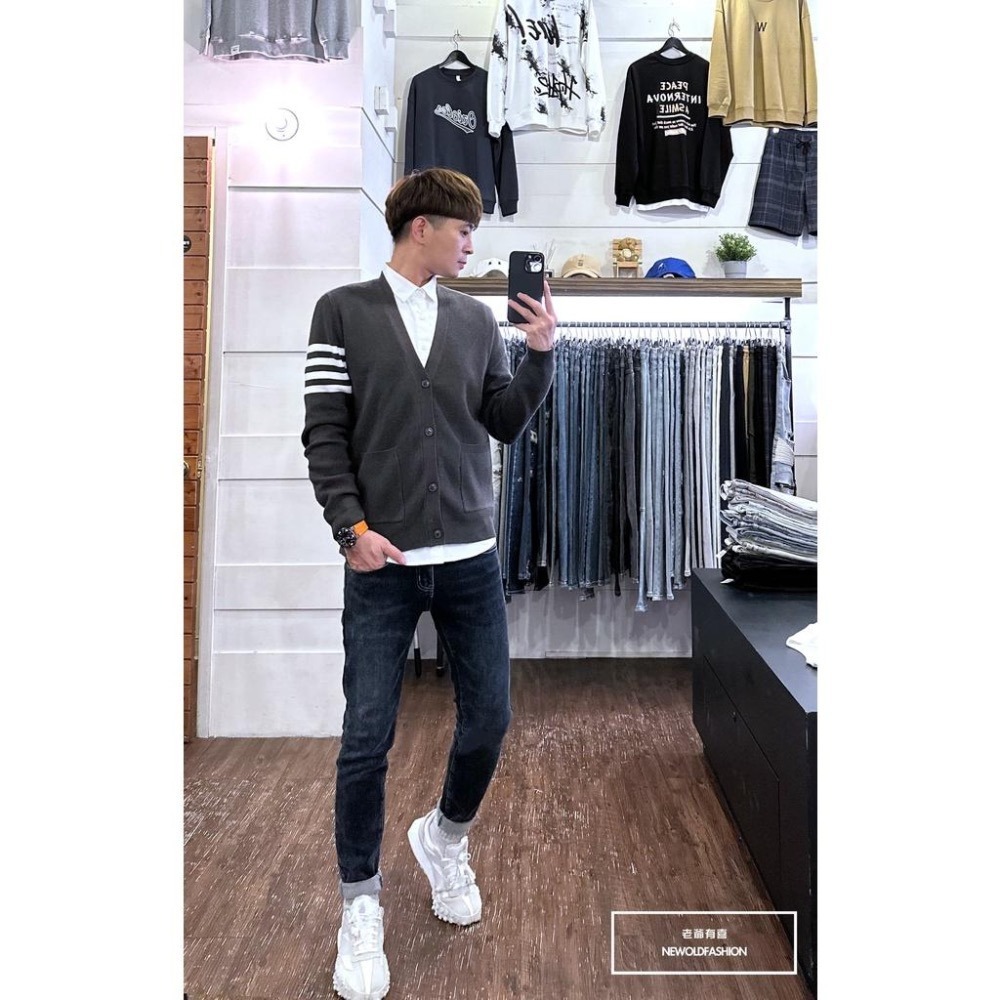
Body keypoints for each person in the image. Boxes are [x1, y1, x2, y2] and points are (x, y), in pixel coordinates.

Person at [301, 167, 557, 1000]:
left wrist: (540, 354)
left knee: (490, 717)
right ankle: (360, 903)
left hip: (470, 559)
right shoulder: (341, 312)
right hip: (381, 563)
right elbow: (324, 434)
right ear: (422, 228)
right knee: (366, 736)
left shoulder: (476, 319)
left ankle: (445, 838)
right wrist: (351, 530)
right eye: (463, 230)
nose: (472, 245)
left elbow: (504, 421)